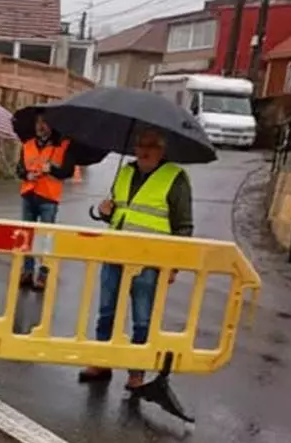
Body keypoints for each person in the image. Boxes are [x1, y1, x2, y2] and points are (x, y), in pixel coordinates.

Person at [79, 128, 193, 389]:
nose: (144, 150)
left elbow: (183, 226)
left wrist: (174, 266)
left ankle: (136, 371)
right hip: (115, 252)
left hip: (149, 261)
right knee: (106, 311)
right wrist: (104, 211)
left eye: (151, 146)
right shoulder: (126, 171)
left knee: (142, 318)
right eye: (141, 145)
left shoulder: (175, 178)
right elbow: (118, 213)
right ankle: (101, 361)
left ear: (161, 150)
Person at [16, 114, 74, 290]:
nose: (40, 126)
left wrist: (53, 169)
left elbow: (68, 171)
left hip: (48, 197)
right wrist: (26, 175)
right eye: (38, 122)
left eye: (45, 122)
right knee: (27, 236)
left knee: (46, 238)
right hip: (29, 194)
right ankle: (27, 271)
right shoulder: (28, 145)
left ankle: (43, 273)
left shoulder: (62, 145)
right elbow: (19, 169)